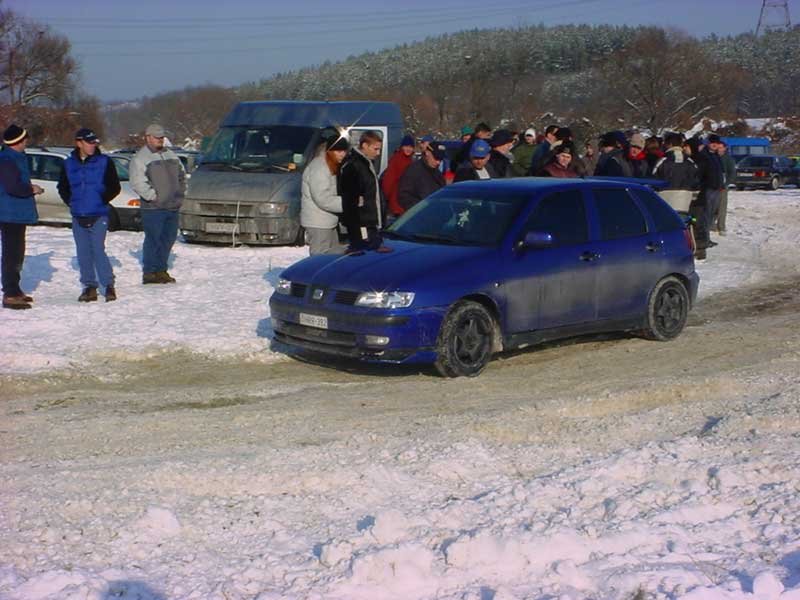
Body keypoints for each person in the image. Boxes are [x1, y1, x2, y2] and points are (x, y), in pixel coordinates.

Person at [57, 128, 121, 302]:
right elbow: (62, 187)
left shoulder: (104, 162)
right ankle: (89, 287)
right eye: (89, 142)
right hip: (78, 215)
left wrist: (101, 199)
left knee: (98, 250)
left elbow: (115, 186)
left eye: (95, 142)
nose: (93, 145)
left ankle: (108, 285)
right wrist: (72, 202)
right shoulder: (68, 164)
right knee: (83, 253)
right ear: (79, 143)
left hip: (98, 214)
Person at [130, 124, 186, 284]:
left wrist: (180, 193)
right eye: (156, 137)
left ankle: (161, 270)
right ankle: (149, 272)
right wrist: (153, 197)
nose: (160, 140)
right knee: (153, 239)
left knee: (168, 239)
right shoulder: (140, 158)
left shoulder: (171, 154)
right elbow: (137, 182)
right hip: (153, 208)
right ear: (148, 137)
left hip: (173, 206)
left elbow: (181, 175)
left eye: (161, 137)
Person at [0, 125, 43, 310]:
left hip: (16, 213)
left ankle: (15, 289)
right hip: (10, 213)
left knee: (16, 253)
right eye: (24, 139)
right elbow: (13, 187)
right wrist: (32, 189)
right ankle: (10, 293)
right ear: (16, 142)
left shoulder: (15, 157)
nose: (27, 141)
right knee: (12, 254)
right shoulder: (7, 160)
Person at [300, 134, 349, 256]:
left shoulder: (328, 165)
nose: (342, 154)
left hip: (326, 220)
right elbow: (323, 198)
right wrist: (348, 203)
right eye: (339, 151)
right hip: (318, 222)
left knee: (331, 255)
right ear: (329, 151)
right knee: (320, 257)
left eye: (344, 151)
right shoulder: (320, 168)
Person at [340, 130, 384, 251]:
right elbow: (350, 203)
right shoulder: (353, 166)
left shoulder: (367, 164)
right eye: (375, 149)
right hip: (362, 227)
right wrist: (356, 234)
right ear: (365, 145)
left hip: (372, 225)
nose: (378, 153)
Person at [653, 132, 698, 216]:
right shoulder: (690, 162)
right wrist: (693, 198)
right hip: (685, 202)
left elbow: (653, 181)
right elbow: (696, 182)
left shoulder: (662, 161)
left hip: (664, 202)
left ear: (669, 144)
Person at [397, 142, 446, 211]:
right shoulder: (414, 170)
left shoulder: (438, 173)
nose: (438, 162)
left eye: (440, 159)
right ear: (427, 153)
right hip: (420, 215)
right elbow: (404, 196)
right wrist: (421, 208)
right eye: (436, 158)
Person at [380, 134, 415, 219]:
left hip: (405, 202)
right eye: (406, 146)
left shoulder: (411, 161)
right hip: (396, 202)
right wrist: (387, 197)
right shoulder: (396, 159)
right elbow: (388, 181)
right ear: (402, 147)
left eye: (411, 147)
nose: (408, 149)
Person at [716, 140, 736, 236]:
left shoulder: (728, 159)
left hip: (723, 187)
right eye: (717, 147)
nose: (718, 149)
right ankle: (710, 224)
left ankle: (721, 226)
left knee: (722, 207)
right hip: (712, 186)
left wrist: (726, 183)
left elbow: (732, 173)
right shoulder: (713, 157)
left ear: (724, 148)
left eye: (720, 147)